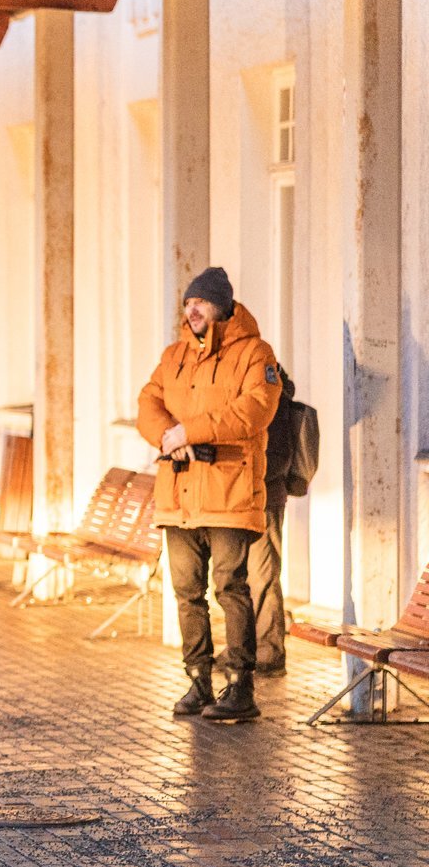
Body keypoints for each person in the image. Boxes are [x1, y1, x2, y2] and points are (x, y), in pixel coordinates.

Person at [137, 266, 281, 722]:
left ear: (223, 306)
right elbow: (148, 402)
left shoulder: (256, 353)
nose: (191, 309)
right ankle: (198, 681)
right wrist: (167, 437)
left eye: (200, 301)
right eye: (187, 303)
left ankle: (240, 685)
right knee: (185, 590)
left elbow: (255, 411)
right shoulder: (175, 354)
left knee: (230, 587)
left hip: (229, 490)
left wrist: (189, 431)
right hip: (179, 494)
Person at [250, 367, 300, 678]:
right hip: (240, 501)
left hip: (265, 499)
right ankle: (246, 646)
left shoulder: (275, 404)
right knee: (243, 578)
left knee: (263, 575)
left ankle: (269, 650)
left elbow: (278, 457)